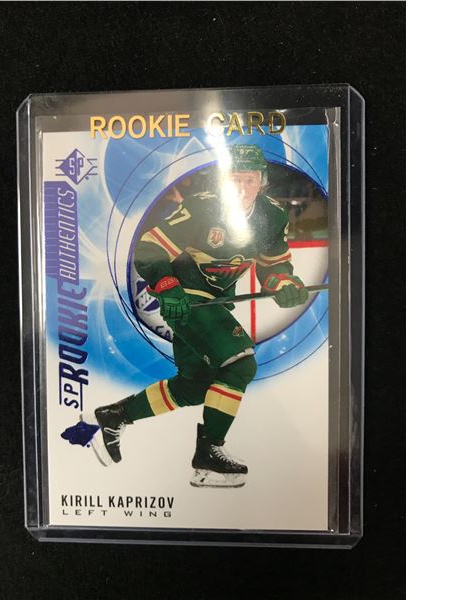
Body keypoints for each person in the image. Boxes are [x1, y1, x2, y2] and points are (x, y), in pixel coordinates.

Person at [93, 144, 309, 488]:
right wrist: (166, 285)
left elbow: (274, 266)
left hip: (217, 304)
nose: (242, 188)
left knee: (195, 387)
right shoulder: (202, 206)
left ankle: (115, 415)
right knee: (239, 365)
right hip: (186, 301)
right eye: (235, 179)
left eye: (249, 180)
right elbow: (149, 248)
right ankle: (209, 452)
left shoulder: (273, 216)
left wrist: (284, 283)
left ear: (262, 182)